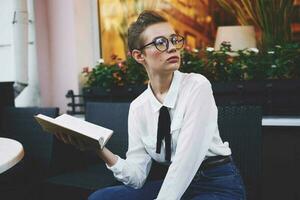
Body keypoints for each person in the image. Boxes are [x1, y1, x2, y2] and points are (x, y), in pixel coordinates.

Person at [56, 10, 246, 200]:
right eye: (160, 43)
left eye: (173, 40)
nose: (172, 48)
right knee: (100, 198)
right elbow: (137, 176)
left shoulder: (197, 86)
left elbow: (186, 161)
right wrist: (98, 149)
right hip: (172, 183)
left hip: (217, 183)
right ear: (139, 56)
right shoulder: (139, 107)